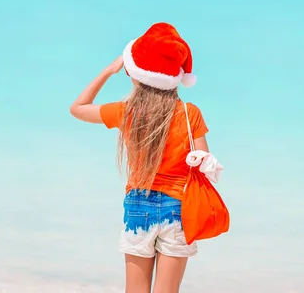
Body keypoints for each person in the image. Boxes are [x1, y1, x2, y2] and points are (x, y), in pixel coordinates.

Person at [70, 23, 210, 293]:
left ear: (135, 73)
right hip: (178, 211)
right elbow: (203, 166)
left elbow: (78, 108)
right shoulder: (190, 114)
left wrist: (108, 71)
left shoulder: (128, 113)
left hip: (138, 207)